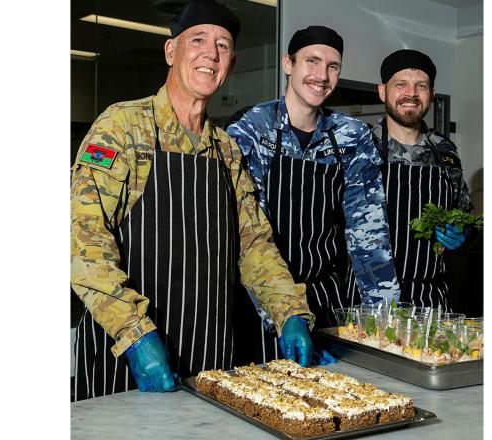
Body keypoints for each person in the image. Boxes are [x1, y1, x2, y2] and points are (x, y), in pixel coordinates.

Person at [70, 0, 314, 401]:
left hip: (211, 355)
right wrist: (134, 336)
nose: (210, 54)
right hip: (129, 359)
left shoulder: (226, 149)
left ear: (230, 65)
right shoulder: (124, 126)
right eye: (197, 40)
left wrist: (289, 312)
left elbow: (253, 245)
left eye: (222, 45)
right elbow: (84, 244)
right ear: (171, 52)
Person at [226, 26, 400, 365]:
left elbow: (369, 236)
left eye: (332, 66)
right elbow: (244, 235)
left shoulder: (351, 137)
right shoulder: (252, 130)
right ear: (288, 64)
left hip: (326, 298)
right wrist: (282, 315)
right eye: (312, 61)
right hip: (261, 300)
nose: (322, 75)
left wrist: (385, 322)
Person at [372, 49, 473, 312]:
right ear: (383, 91)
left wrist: (463, 236)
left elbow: (465, 214)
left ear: (431, 94)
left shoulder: (445, 151)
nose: (411, 94)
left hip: (432, 301)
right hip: (370, 300)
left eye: (421, 86)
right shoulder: (359, 146)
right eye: (401, 84)